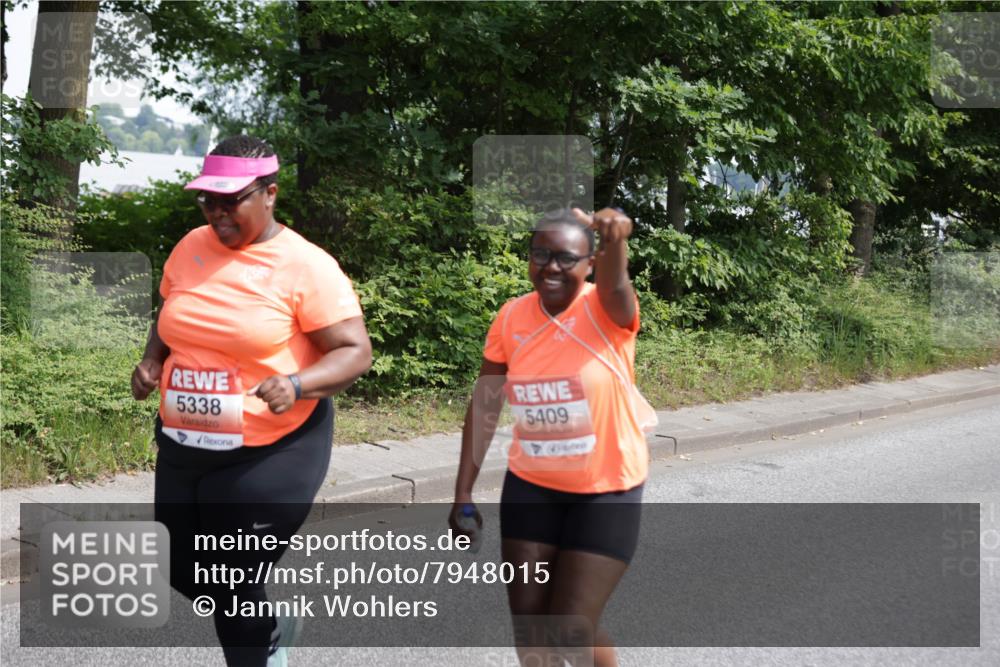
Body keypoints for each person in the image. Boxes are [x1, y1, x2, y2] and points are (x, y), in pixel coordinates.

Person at [131, 135, 372, 667]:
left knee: (232, 579)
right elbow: (172, 314)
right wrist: (152, 361)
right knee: (178, 566)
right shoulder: (191, 245)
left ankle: (262, 651)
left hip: (273, 448)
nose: (217, 213)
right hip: (184, 440)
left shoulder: (306, 265)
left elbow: (355, 352)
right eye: (208, 201)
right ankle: (274, 627)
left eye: (230, 200)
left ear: (269, 194)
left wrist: (299, 383)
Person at [450, 207, 653, 667]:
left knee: (570, 626)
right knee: (531, 623)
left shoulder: (605, 307)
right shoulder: (511, 317)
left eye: (566, 257)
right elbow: (485, 404)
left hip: (606, 490)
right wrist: (463, 491)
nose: (552, 267)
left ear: (589, 264)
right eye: (541, 254)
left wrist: (616, 240)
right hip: (532, 486)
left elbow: (618, 284)